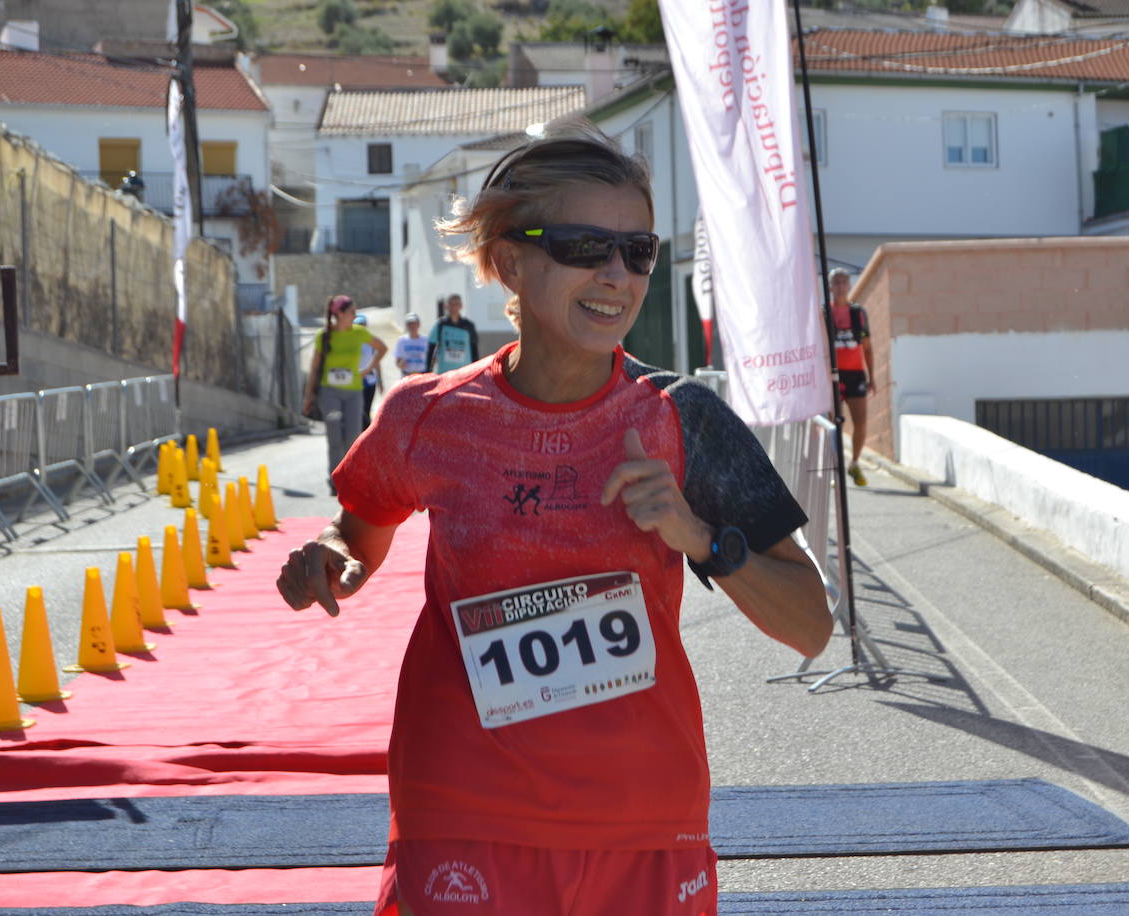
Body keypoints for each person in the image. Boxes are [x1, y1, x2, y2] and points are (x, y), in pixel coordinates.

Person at [276, 130, 831, 916]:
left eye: (636, 250)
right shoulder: (424, 417)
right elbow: (356, 534)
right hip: (463, 809)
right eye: (583, 246)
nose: (617, 276)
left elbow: (812, 627)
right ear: (508, 262)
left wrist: (696, 535)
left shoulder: (682, 420)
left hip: (642, 818)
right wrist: (328, 561)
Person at [302, 295, 387, 495]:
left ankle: (351, 477)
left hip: (353, 394)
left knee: (352, 436)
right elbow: (314, 368)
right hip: (329, 393)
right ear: (339, 314)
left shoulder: (359, 333)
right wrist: (308, 397)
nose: (355, 315)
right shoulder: (324, 335)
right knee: (334, 436)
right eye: (352, 312)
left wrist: (368, 369)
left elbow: (382, 348)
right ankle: (335, 479)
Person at [828, 267, 875, 486]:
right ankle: (833, 465)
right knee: (832, 423)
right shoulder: (824, 313)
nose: (840, 286)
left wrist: (871, 376)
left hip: (856, 373)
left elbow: (867, 347)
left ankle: (854, 463)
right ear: (830, 286)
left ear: (849, 286)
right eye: (836, 282)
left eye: (843, 282)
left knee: (861, 423)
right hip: (832, 375)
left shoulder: (858, 313)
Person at [425, 293, 479, 373]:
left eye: (456, 304)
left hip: (464, 373)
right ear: (446, 306)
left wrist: (476, 371)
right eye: (451, 304)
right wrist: (428, 371)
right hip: (444, 373)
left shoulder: (468, 326)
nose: (453, 307)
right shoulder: (440, 325)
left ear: (461, 306)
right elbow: (431, 349)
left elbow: (474, 350)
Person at [353, 314, 382, 431]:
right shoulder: (350, 343)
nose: (361, 327)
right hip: (355, 382)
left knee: (366, 410)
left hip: (369, 382)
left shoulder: (372, 343)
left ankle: (366, 436)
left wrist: (380, 381)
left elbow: (377, 362)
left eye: (362, 325)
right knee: (358, 411)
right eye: (358, 325)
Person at [394, 312, 430, 377]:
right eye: (409, 324)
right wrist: (400, 364)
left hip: (422, 375)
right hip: (407, 376)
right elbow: (397, 362)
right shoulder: (401, 340)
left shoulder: (426, 340)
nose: (412, 326)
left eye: (414, 323)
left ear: (419, 324)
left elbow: (433, 359)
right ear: (406, 326)